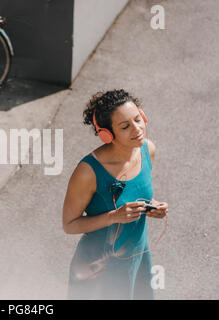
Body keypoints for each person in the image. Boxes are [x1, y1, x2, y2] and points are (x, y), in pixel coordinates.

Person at [62, 89, 168, 300]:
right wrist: (113, 216)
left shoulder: (148, 150)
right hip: (99, 264)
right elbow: (69, 224)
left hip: (136, 255)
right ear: (107, 134)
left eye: (138, 119)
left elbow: (138, 194)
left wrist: (153, 207)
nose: (137, 129)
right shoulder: (87, 171)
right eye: (125, 126)